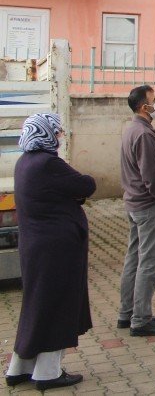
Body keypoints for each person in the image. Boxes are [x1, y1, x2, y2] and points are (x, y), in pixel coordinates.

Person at [5, 114, 95, 390]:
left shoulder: (25, 162)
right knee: (57, 306)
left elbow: (55, 193)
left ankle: (19, 368)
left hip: (37, 247)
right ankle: (47, 373)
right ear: (45, 134)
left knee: (37, 305)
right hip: (56, 248)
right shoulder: (49, 163)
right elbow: (86, 185)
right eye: (56, 132)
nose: (59, 137)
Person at [119, 84, 155, 337]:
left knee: (134, 258)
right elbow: (151, 175)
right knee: (148, 263)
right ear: (144, 107)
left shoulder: (132, 129)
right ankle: (140, 319)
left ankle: (126, 312)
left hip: (134, 203)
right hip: (149, 206)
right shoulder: (143, 135)